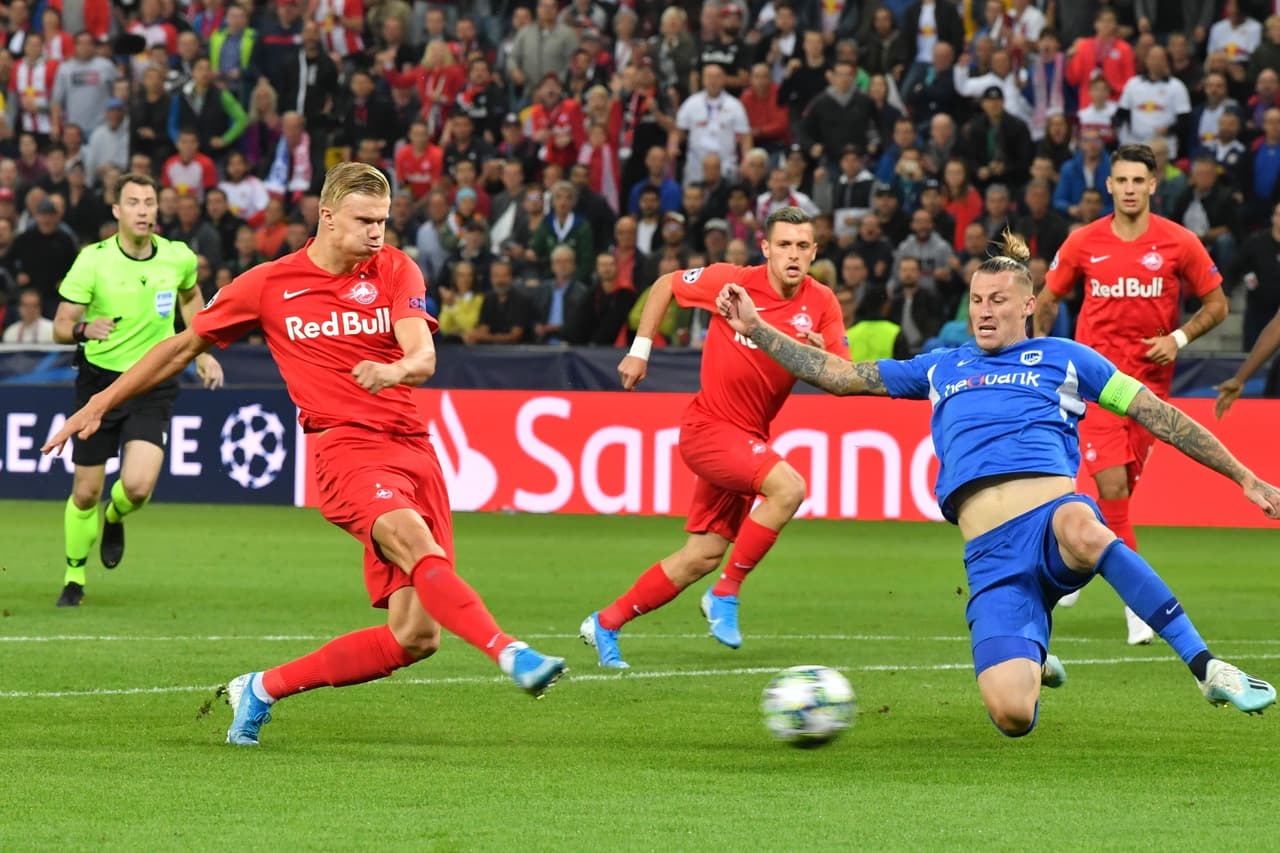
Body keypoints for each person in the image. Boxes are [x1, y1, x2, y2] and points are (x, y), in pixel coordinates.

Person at [44, 163, 566, 746]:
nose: (377, 233)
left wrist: (395, 367)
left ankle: (261, 688)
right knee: (415, 544)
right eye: (365, 220)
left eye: (384, 221)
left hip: (414, 451)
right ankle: (509, 651)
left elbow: (423, 357)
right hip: (343, 450)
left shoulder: (396, 268)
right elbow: (180, 347)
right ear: (326, 217)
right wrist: (98, 404)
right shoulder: (270, 284)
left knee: (415, 638)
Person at [715, 230, 1278, 736]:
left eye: (998, 301)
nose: (983, 312)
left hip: (1053, 524)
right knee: (1012, 717)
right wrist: (758, 329)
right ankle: (1033, 654)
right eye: (977, 301)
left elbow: (1159, 414)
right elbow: (839, 376)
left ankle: (1206, 666)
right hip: (991, 559)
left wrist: (1244, 477)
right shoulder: (943, 366)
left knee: (1085, 528)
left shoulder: (1067, 359)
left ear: (1029, 305)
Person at [578, 207, 848, 669]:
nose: (793, 254)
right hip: (708, 429)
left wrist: (818, 356)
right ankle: (726, 594)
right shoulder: (730, 281)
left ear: (815, 251)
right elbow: (665, 284)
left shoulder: (821, 302)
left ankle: (605, 623)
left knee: (700, 555)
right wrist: (640, 352)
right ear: (765, 248)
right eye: (784, 244)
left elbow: (843, 376)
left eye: (803, 246)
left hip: (748, 437)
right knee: (789, 488)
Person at [1035, 144, 1229, 645]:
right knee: (1114, 487)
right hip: (1096, 385)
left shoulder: (1179, 242)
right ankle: (1138, 603)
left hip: (1148, 391)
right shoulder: (1083, 242)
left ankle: (1071, 557)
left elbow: (1218, 303)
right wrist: (1040, 353)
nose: (1128, 189)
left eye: (1137, 181)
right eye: (1120, 181)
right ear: (1109, 186)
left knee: (1117, 492)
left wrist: (1178, 339)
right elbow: (1048, 297)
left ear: (1152, 185)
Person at [48, 172, 225, 608]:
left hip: (153, 380)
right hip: (100, 385)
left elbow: (191, 299)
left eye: (149, 202)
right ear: (117, 210)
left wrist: (202, 353)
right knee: (86, 491)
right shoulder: (93, 260)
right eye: (134, 203)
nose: (144, 210)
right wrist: (85, 328)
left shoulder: (178, 257)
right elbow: (59, 327)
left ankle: (115, 514)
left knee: (139, 486)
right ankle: (74, 577)